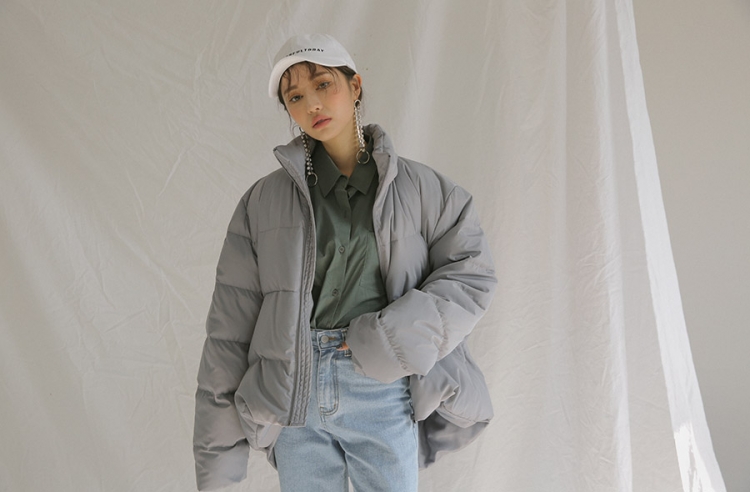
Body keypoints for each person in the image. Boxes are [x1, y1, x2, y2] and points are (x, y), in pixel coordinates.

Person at [193, 33, 497, 492]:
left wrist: (388, 340)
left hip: (381, 387)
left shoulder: (423, 189)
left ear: (355, 86)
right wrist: (216, 462)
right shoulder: (262, 202)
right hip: (294, 398)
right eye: (295, 96)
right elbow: (229, 329)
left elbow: (471, 272)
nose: (312, 104)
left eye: (323, 84)